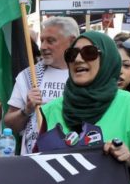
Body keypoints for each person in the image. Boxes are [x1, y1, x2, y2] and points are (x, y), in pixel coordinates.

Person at [36, 31, 130, 184]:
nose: (79, 59)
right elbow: (35, 169)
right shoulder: (51, 110)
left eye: (89, 52)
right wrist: (5, 165)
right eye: (72, 54)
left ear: (107, 60)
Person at [4, 16, 79, 155]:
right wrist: (26, 110)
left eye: (51, 41)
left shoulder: (85, 74)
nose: (43, 47)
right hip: (35, 162)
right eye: (42, 40)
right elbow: (9, 123)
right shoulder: (28, 77)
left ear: (72, 41)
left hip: (74, 160)